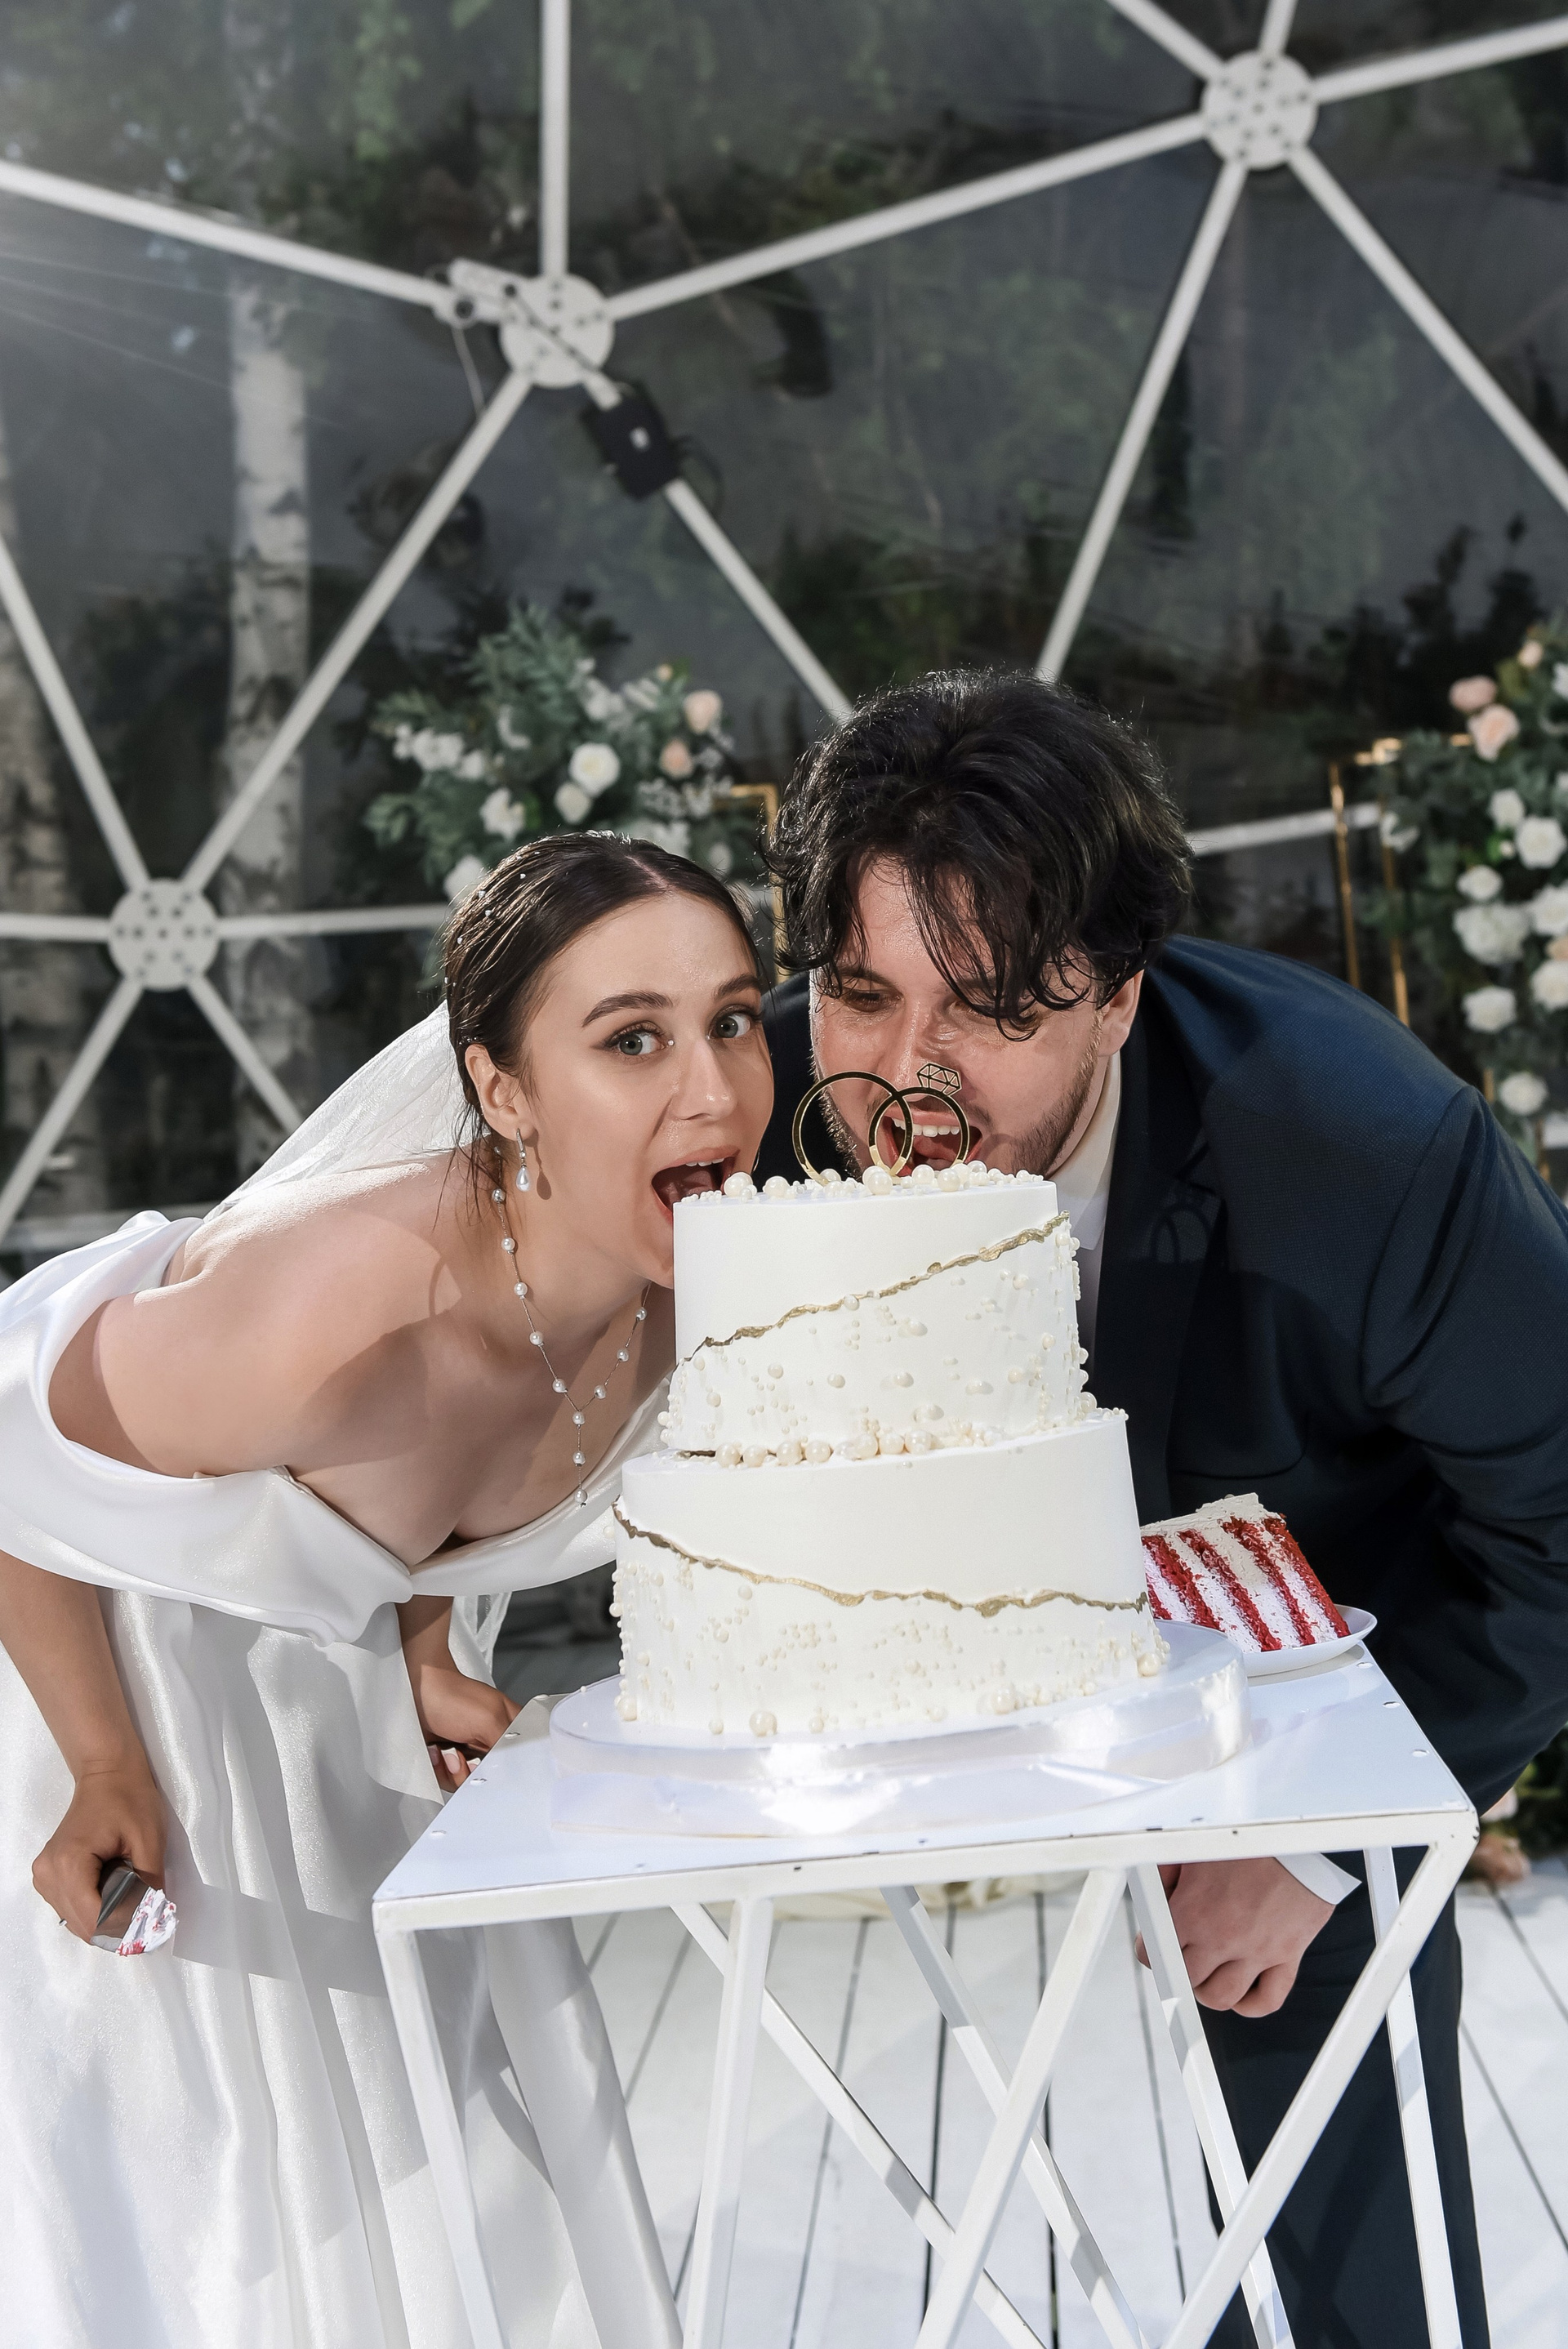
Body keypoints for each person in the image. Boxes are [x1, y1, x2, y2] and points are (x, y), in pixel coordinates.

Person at [756, 668, 1568, 2348]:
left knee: (1336, 2170)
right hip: (937, 1651)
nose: (908, 1075)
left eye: (990, 1008)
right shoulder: (755, 1101)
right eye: (860, 994)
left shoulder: (1360, 1153)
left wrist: (1328, 1840)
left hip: (1306, 1660)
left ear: (1119, 996)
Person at [0, 831, 773, 2349]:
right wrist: (102, 1766)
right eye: (632, 1039)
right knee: (216, 2232)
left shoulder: (677, 1295)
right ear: (503, 1090)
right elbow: (11, 1465)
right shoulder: (330, 1311)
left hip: (335, 1745)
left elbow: (423, 1503)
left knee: (438, 2203)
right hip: (100, 1706)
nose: (713, 1091)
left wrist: (418, 1644)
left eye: (734, 1020)